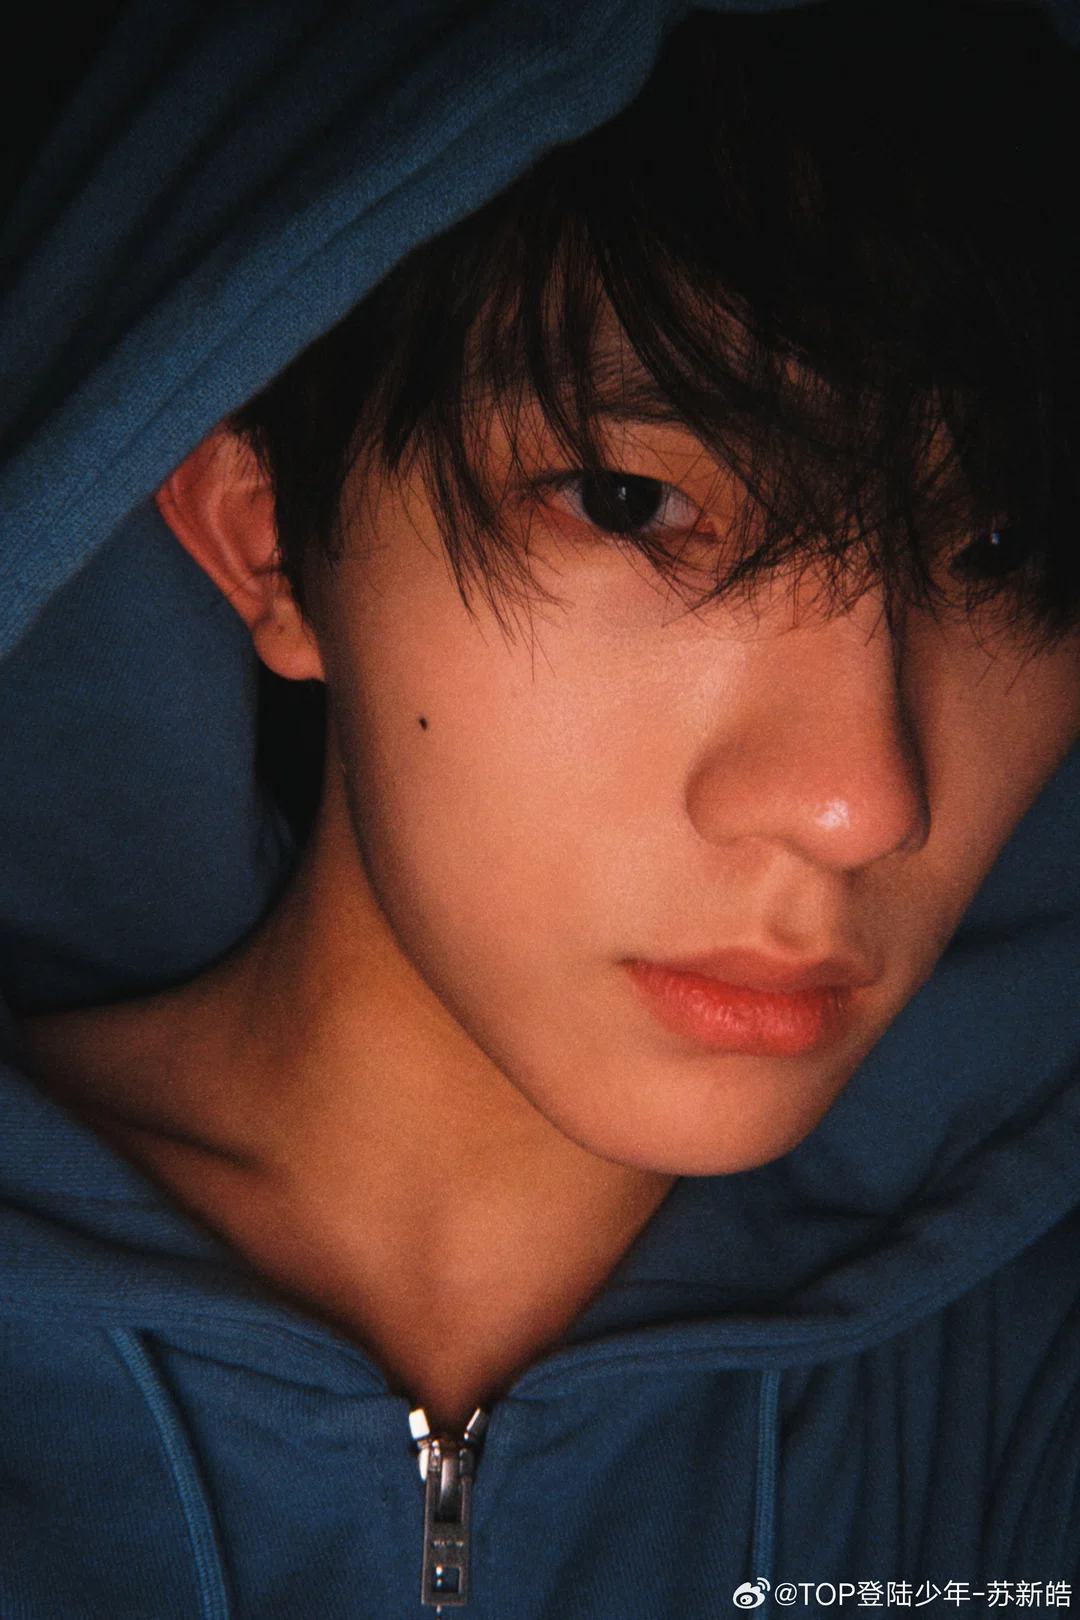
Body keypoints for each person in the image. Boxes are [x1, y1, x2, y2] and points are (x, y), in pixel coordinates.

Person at [1, 2, 1079, 1615]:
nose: (859, 801)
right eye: (633, 504)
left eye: (1000, 551)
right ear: (268, 535)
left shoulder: (1025, 1388)